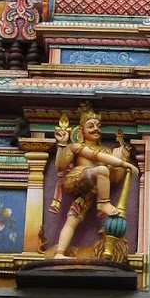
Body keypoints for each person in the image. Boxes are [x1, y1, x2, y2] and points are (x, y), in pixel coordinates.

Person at [50, 110, 137, 257]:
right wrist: (62, 144)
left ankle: (60, 252)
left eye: (98, 125)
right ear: (81, 131)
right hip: (76, 178)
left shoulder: (106, 150)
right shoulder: (77, 146)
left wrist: (123, 158)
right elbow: (60, 166)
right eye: (90, 126)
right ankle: (103, 203)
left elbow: (113, 179)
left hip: (92, 189)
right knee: (101, 169)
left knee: (72, 220)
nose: (96, 129)